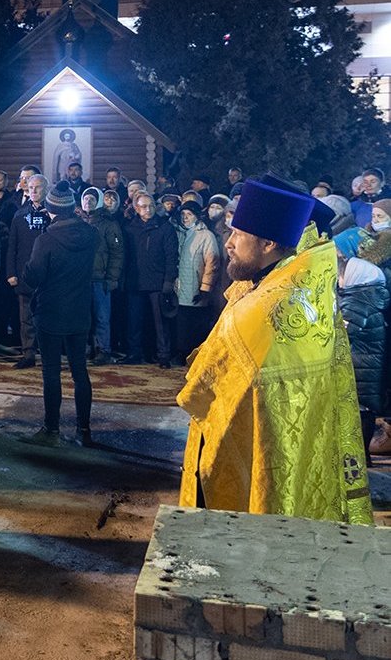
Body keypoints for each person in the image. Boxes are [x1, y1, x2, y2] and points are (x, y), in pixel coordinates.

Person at [178, 180, 372, 523]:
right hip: (292, 450)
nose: (229, 243)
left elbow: (199, 388)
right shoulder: (302, 281)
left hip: (258, 447)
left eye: (238, 234)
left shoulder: (265, 306)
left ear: (268, 243)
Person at [22, 184, 98, 445]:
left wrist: (27, 269)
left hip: (51, 312)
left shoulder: (46, 239)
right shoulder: (91, 234)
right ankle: (83, 430)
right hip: (79, 312)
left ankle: (51, 429)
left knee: (51, 372)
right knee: (80, 371)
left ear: (51, 209)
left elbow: (34, 276)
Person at [122, 193, 178, 367]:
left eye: (151, 206)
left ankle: (163, 356)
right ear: (137, 209)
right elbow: (126, 256)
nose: (148, 209)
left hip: (157, 281)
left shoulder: (165, 227)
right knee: (134, 321)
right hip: (135, 281)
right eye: (144, 206)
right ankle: (134, 353)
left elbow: (171, 256)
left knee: (160, 322)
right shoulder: (130, 229)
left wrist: (169, 280)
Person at [339, 256, 388, 452]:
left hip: (362, 367)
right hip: (367, 363)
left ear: (355, 276)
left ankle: (361, 455)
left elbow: (343, 332)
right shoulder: (369, 296)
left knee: (362, 408)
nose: (340, 278)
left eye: (343, 274)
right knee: (363, 408)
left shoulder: (359, 301)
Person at [6, 174, 52, 369]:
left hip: (50, 275)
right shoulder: (19, 214)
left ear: (46, 189)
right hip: (25, 273)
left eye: (38, 187)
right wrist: (11, 272)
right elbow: (12, 246)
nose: (33, 191)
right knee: (26, 317)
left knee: (49, 315)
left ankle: (49, 353)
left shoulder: (54, 214)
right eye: (30, 187)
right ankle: (28, 353)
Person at [78, 187, 124, 364]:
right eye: (85, 199)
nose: (87, 203)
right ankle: (85, 348)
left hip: (101, 278)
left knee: (102, 317)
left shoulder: (109, 224)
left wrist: (112, 278)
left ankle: (103, 349)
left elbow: (117, 252)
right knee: (83, 316)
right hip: (81, 279)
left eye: (91, 199)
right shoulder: (78, 221)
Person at [173, 201, 219, 360]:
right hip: (180, 285)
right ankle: (181, 351)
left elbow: (212, 262)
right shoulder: (179, 233)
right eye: (183, 215)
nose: (185, 218)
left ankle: (193, 352)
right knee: (181, 320)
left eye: (189, 214)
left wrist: (205, 287)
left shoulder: (206, 235)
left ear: (197, 216)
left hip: (196, 284)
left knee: (194, 321)